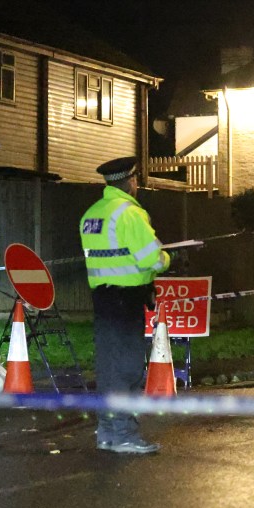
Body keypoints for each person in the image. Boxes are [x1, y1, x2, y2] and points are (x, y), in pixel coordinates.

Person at [80, 156, 171, 454]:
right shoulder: (130, 214)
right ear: (131, 181)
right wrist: (167, 258)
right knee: (127, 368)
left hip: (103, 299)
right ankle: (124, 436)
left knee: (108, 368)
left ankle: (107, 433)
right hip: (125, 301)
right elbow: (151, 258)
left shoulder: (92, 214)